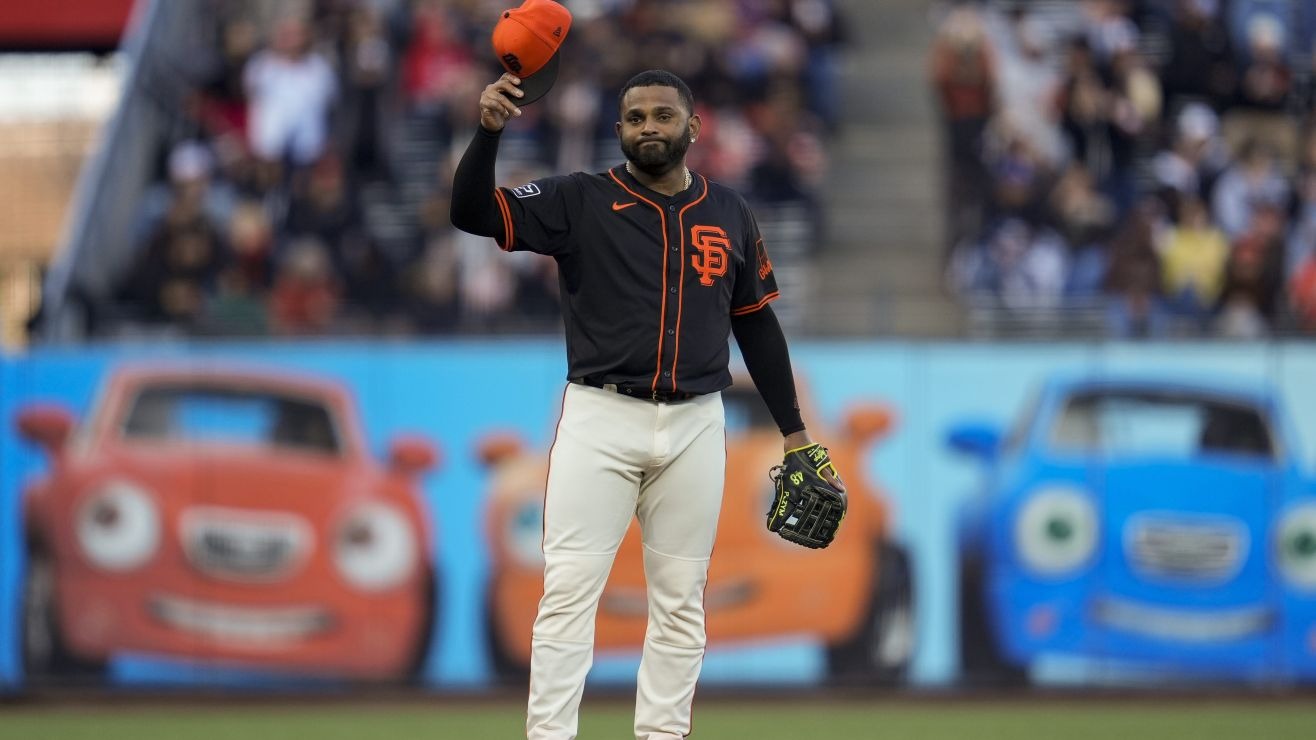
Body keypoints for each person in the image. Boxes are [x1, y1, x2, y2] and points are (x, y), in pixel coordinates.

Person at [451, 68, 844, 740]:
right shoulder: (579, 199)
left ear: (693, 129)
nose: (649, 128)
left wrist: (794, 433)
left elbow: (755, 324)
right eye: (635, 118)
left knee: (681, 603)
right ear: (618, 131)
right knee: (569, 594)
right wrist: (488, 132)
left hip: (695, 422)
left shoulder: (729, 213)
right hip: (599, 417)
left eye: (663, 116)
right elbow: (473, 212)